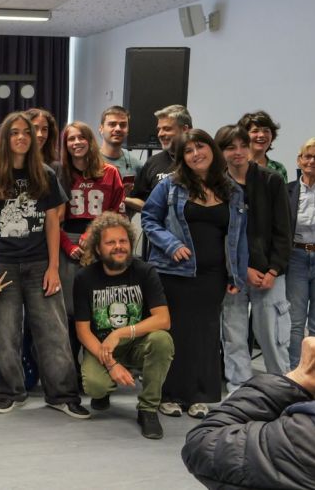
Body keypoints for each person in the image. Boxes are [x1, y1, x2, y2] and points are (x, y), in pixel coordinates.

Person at [0, 112, 89, 419]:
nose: (22, 137)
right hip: (4, 266)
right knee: (6, 334)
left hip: (40, 265)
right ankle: (10, 392)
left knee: (54, 333)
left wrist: (53, 267)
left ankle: (62, 395)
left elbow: (52, 223)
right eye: (15, 132)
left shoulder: (45, 174)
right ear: (5, 138)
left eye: (26, 132)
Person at [141, 129, 248, 419]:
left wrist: (236, 275)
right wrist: (171, 244)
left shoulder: (232, 190)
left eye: (200, 147)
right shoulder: (170, 186)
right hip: (173, 272)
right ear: (182, 158)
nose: (195, 154)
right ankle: (168, 394)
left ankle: (199, 396)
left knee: (206, 334)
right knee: (174, 333)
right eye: (188, 151)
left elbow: (239, 236)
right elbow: (149, 219)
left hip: (213, 275)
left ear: (212, 149)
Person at [73, 212, 173, 439]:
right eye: (110, 242)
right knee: (95, 386)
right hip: (102, 348)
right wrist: (111, 365)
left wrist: (120, 333)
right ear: (98, 249)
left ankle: (148, 409)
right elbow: (83, 331)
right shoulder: (84, 278)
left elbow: (163, 319)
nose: (118, 246)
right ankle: (104, 391)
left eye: (123, 241)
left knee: (162, 340)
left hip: (137, 343)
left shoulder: (145, 272)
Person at [182, 336, 315, 490]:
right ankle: (239, 383)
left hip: (276, 403)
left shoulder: (307, 433)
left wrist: (298, 378)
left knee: (269, 338)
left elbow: (202, 445)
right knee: (236, 338)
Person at [215, 125, 292, 390]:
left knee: (273, 338)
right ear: (220, 152)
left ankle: (281, 392)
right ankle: (239, 393)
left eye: (243, 146)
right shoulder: (216, 185)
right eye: (230, 147)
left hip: (270, 275)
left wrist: (274, 270)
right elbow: (219, 234)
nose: (238, 152)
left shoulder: (272, 180)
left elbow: (284, 230)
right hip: (233, 275)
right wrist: (240, 269)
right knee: (234, 338)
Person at [57, 122, 126, 382]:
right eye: (71, 139)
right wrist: (68, 245)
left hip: (99, 242)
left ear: (90, 140)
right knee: (69, 309)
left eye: (81, 137)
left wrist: (94, 235)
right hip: (67, 242)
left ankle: (98, 366)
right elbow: (52, 217)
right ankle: (70, 371)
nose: (76, 143)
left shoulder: (110, 172)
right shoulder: (60, 174)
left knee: (99, 308)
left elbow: (116, 211)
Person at [288, 138, 315, 368]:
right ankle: (295, 372)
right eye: (308, 156)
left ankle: (314, 372)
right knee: (295, 322)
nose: (312, 161)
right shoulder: (287, 190)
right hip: (296, 258)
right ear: (299, 160)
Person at [131, 104, 193, 208]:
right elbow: (139, 199)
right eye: (159, 129)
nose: (160, 134)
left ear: (184, 129)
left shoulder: (199, 160)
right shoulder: (153, 162)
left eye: (167, 129)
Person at [97, 106, 144, 213]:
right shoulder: (90, 161)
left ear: (127, 130)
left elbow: (146, 206)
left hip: (123, 223)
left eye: (123, 125)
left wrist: (123, 197)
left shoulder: (137, 165)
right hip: (94, 222)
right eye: (112, 124)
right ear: (101, 128)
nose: (118, 129)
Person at [239, 110, 288, 182]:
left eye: (266, 131)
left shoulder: (278, 168)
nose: (262, 135)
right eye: (255, 131)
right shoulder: (234, 166)